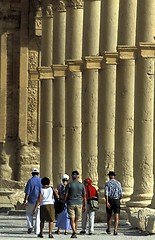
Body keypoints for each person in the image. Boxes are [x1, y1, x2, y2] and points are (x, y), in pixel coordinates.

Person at [64, 170, 86, 238]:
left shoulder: (69, 184)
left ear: (72, 177)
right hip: (79, 203)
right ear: (78, 177)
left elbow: (66, 194)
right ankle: (75, 231)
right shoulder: (81, 185)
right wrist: (84, 205)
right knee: (77, 219)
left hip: (71, 203)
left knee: (72, 219)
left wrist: (64, 201)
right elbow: (84, 196)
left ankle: (74, 231)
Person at [23, 168, 42, 235]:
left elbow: (27, 192)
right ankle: (37, 231)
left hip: (31, 200)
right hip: (39, 201)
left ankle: (30, 226)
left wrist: (25, 200)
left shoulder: (30, 181)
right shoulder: (41, 181)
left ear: (32, 174)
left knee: (29, 214)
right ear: (38, 173)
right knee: (38, 216)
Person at [104, 171, 122, 235]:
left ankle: (109, 228)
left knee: (109, 215)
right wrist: (119, 199)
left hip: (110, 200)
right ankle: (115, 230)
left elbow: (106, 193)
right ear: (114, 176)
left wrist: (107, 202)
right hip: (116, 200)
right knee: (116, 216)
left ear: (109, 176)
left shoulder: (107, 183)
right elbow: (120, 193)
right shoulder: (118, 183)